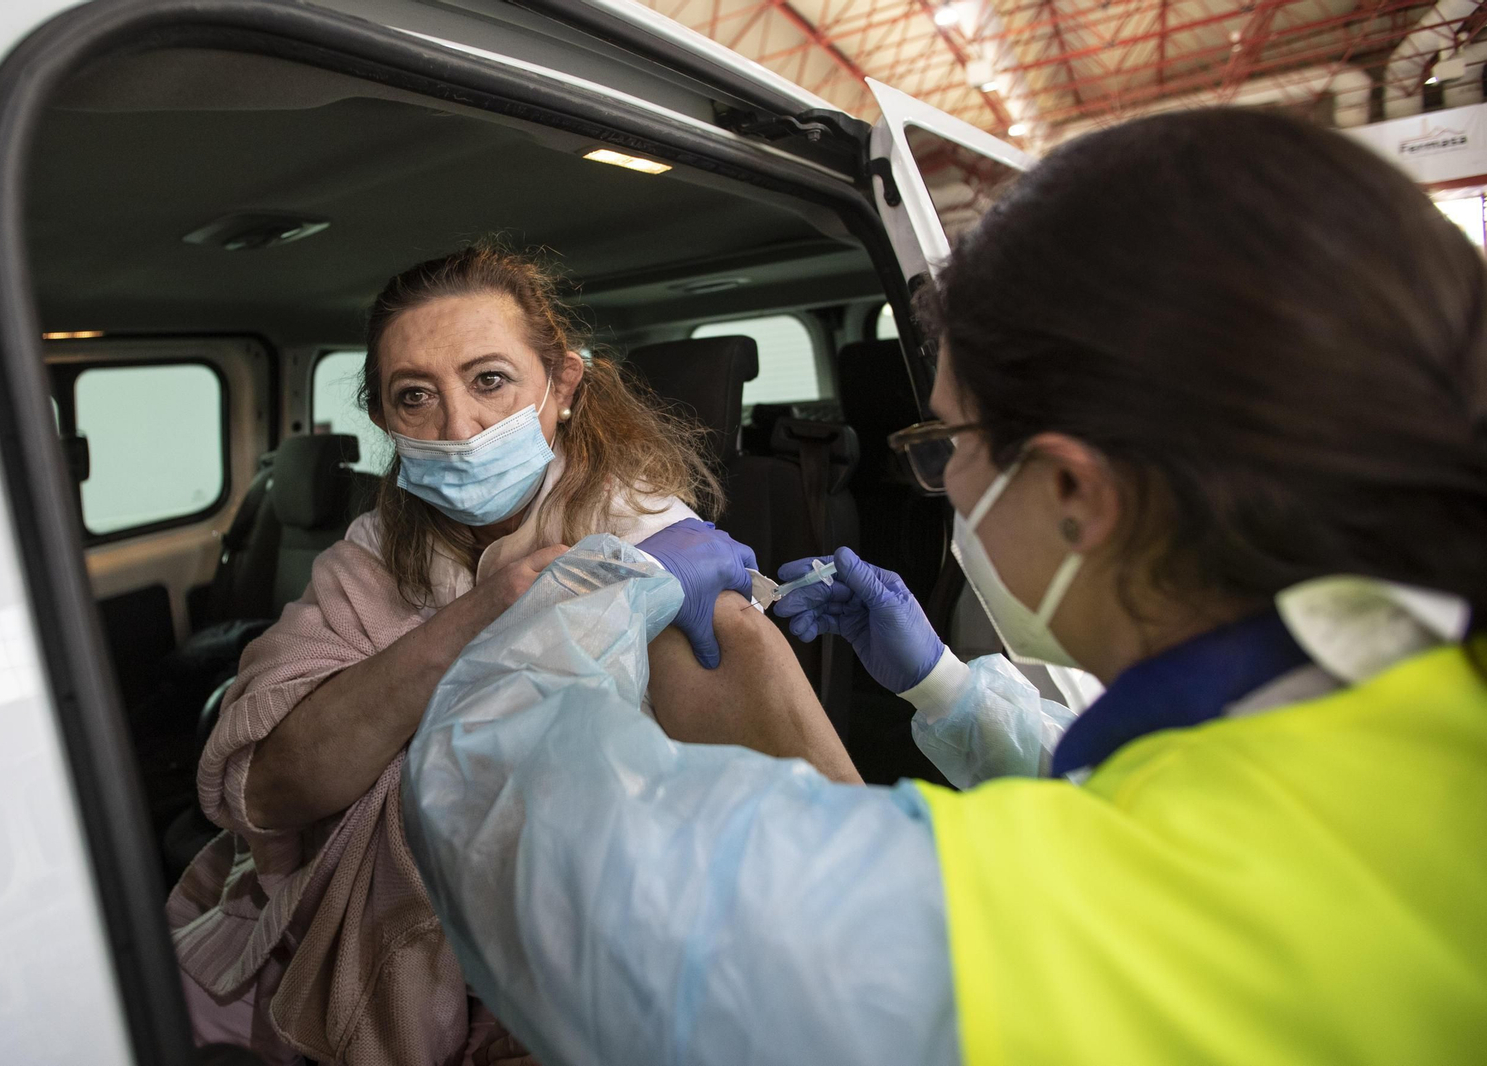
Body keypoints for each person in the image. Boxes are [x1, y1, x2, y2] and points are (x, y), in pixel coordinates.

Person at [403, 110, 1487, 1064]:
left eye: (948, 439)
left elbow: (510, 820)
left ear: (1072, 487)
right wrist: (943, 687)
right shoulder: (1413, 697)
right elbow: (1171, 789)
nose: (939, 478)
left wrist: (606, 583)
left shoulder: (1079, 925)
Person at [166, 245, 854, 1066]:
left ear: (562, 388)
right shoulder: (370, 557)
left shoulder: (664, 562)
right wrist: (494, 610)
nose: (458, 429)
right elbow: (270, 792)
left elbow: (824, 854)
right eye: (415, 396)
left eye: (489, 380)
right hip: (380, 965)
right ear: (386, 422)